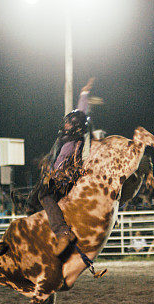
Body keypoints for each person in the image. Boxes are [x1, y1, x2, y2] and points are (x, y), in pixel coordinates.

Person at [26, 77, 96, 256]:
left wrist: (53, 173)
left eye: (68, 122)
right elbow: (80, 114)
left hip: (63, 179)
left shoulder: (74, 142)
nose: (65, 124)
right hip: (57, 176)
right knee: (33, 201)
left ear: (74, 126)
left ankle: (62, 232)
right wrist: (84, 93)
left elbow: (80, 115)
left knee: (43, 194)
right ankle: (42, 237)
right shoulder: (68, 139)